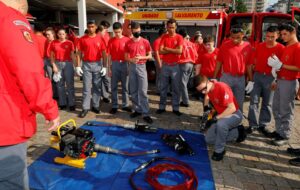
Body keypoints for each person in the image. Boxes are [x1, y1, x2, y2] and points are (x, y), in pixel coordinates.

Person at [0, 1, 60, 189]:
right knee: (11, 180)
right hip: (6, 124)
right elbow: (28, 70)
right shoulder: (9, 19)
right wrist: (50, 109)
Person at [194, 75, 246, 161]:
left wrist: (215, 118)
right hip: (222, 115)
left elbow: (232, 108)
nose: (203, 92)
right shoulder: (209, 87)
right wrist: (206, 108)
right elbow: (207, 95)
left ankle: (219, 150)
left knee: (221, 124)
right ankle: (237, 132)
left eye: (204, 89)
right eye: (200, 91)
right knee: (208, 139)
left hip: (234, 114)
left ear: (208, 82)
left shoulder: (222, 87)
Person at [246, 26, 285, 135]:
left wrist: (276, 81)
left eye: (272, 37)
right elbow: (252, 62)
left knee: (268, 103)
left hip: (271, 78)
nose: (269, 39)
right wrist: (250, 79)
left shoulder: (281, 49)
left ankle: (263, 125)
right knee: (253, 101)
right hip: (257, 76)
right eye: (267, 36)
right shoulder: (259, 46)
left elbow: (282, 67)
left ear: (277, 36)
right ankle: (252, 125)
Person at [267, 23, 300, 146]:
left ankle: (285, 135)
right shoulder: (288, 47)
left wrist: (281, 65)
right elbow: (281, 66)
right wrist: (276, 77)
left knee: (286, 110)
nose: (282, 36)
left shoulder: (297, 47)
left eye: (285, 34)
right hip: (281, 81)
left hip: (290, 82)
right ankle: (279, 131)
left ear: (293, 32)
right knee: (276, 108)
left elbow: (298, 68)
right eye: (281, 34)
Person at [213, 25, 252, 112]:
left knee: (239, 101)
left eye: (238, 37)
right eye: (233, 37)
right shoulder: (225, 45)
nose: (235, 40)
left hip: (240, 78)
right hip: (227, 77)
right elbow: (219, 62)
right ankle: (223, 119)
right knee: (224, 99)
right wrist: (214, 77)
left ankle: (237, 120)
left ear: (243, 35)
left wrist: (251, 80)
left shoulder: (247, 46)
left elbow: (249, 65)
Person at [76, 20, 107, 118]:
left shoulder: (100, 39)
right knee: (86, 87)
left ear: (96, 27)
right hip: (86, 65)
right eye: (89, 27)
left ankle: (96, 105)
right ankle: (85, 108)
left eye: (92, 26)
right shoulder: (83, 39)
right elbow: (79, 53)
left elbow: (104, 54)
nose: (90, 28)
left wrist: (105, 66)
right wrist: (78, 65)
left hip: (97, 64)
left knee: (97, 86)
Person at [124, 21, 153, 124]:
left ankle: (145, 113)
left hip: (141, 66)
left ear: (140, 29)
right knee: (133, 91)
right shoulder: (128, 42)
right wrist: (131, 60)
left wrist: (141, 57)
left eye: (138, 30)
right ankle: (137, 110)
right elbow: (126, 57)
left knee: (143, 91)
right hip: (132, 67)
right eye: (135, 31)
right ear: (131, 31)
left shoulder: (145, 42)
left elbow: (150, 56)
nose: (137, 32)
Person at [157, 18, 183, 116]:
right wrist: (173, 50)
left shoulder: (179, 37)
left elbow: (180, 51)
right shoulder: (164, 37)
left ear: (176, 27)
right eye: (169, 27)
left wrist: (167, 49)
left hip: (175, 66)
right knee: (163, 88)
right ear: (166, 27)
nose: (171, 29)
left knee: (176, 88)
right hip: (165, 66)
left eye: (172, 27)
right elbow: (160, 51)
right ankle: (161, 107)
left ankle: (175, 108)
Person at [107, 22, 131, 114]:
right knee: (113, 87)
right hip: (115, 64)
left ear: (122, 30)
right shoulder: (111, 40)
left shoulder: (127, 40)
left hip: (125, 64)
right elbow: (109, 55)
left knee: (125, 87)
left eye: (119, 32)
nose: (117, 34)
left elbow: (129, 54)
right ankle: (114, 106)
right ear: (113, 31)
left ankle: (125, 105)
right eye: (115, 32)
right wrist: (109, 68)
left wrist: (129, 66)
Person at [50, 28, 76, 111]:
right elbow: (52, 56)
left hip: (68, 64)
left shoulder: (70, 43)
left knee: (70, 84)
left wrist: (76, 66)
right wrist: (54, 66)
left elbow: (72, 55)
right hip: (58, 64)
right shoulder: (53, 43)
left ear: (66, 35)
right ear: (57, 34)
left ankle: (72, 103)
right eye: (59, 34)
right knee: (60, 85)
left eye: (63, 34)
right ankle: (62, 103)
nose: (61, 36)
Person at [178, 28, 198, 107]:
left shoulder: (180, 43)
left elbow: (178, 55)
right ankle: (181, 99)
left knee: (182, 83)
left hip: (183, 64)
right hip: (191, 64)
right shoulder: (191, 43)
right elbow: (196, 55)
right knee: (184, 83)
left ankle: (185, 101)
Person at [99, 21, 111, 103]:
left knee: (106, 78)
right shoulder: (98, 34)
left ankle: (106, 94)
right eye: (105, 27)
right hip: (98, 58)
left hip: (105, 57)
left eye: (107, 27)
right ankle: (102, 96)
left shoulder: (107, 35)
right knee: (99, 78)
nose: (106, 29)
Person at [153, 28, 166, 94]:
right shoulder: (157, 41)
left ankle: (162, 90)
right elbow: (156, 53)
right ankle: (159, 90)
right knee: (159, 76)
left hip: (163, 60)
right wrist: (159, 63)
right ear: (163, 34)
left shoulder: (163, 40)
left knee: (162, 76)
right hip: (159, 60)